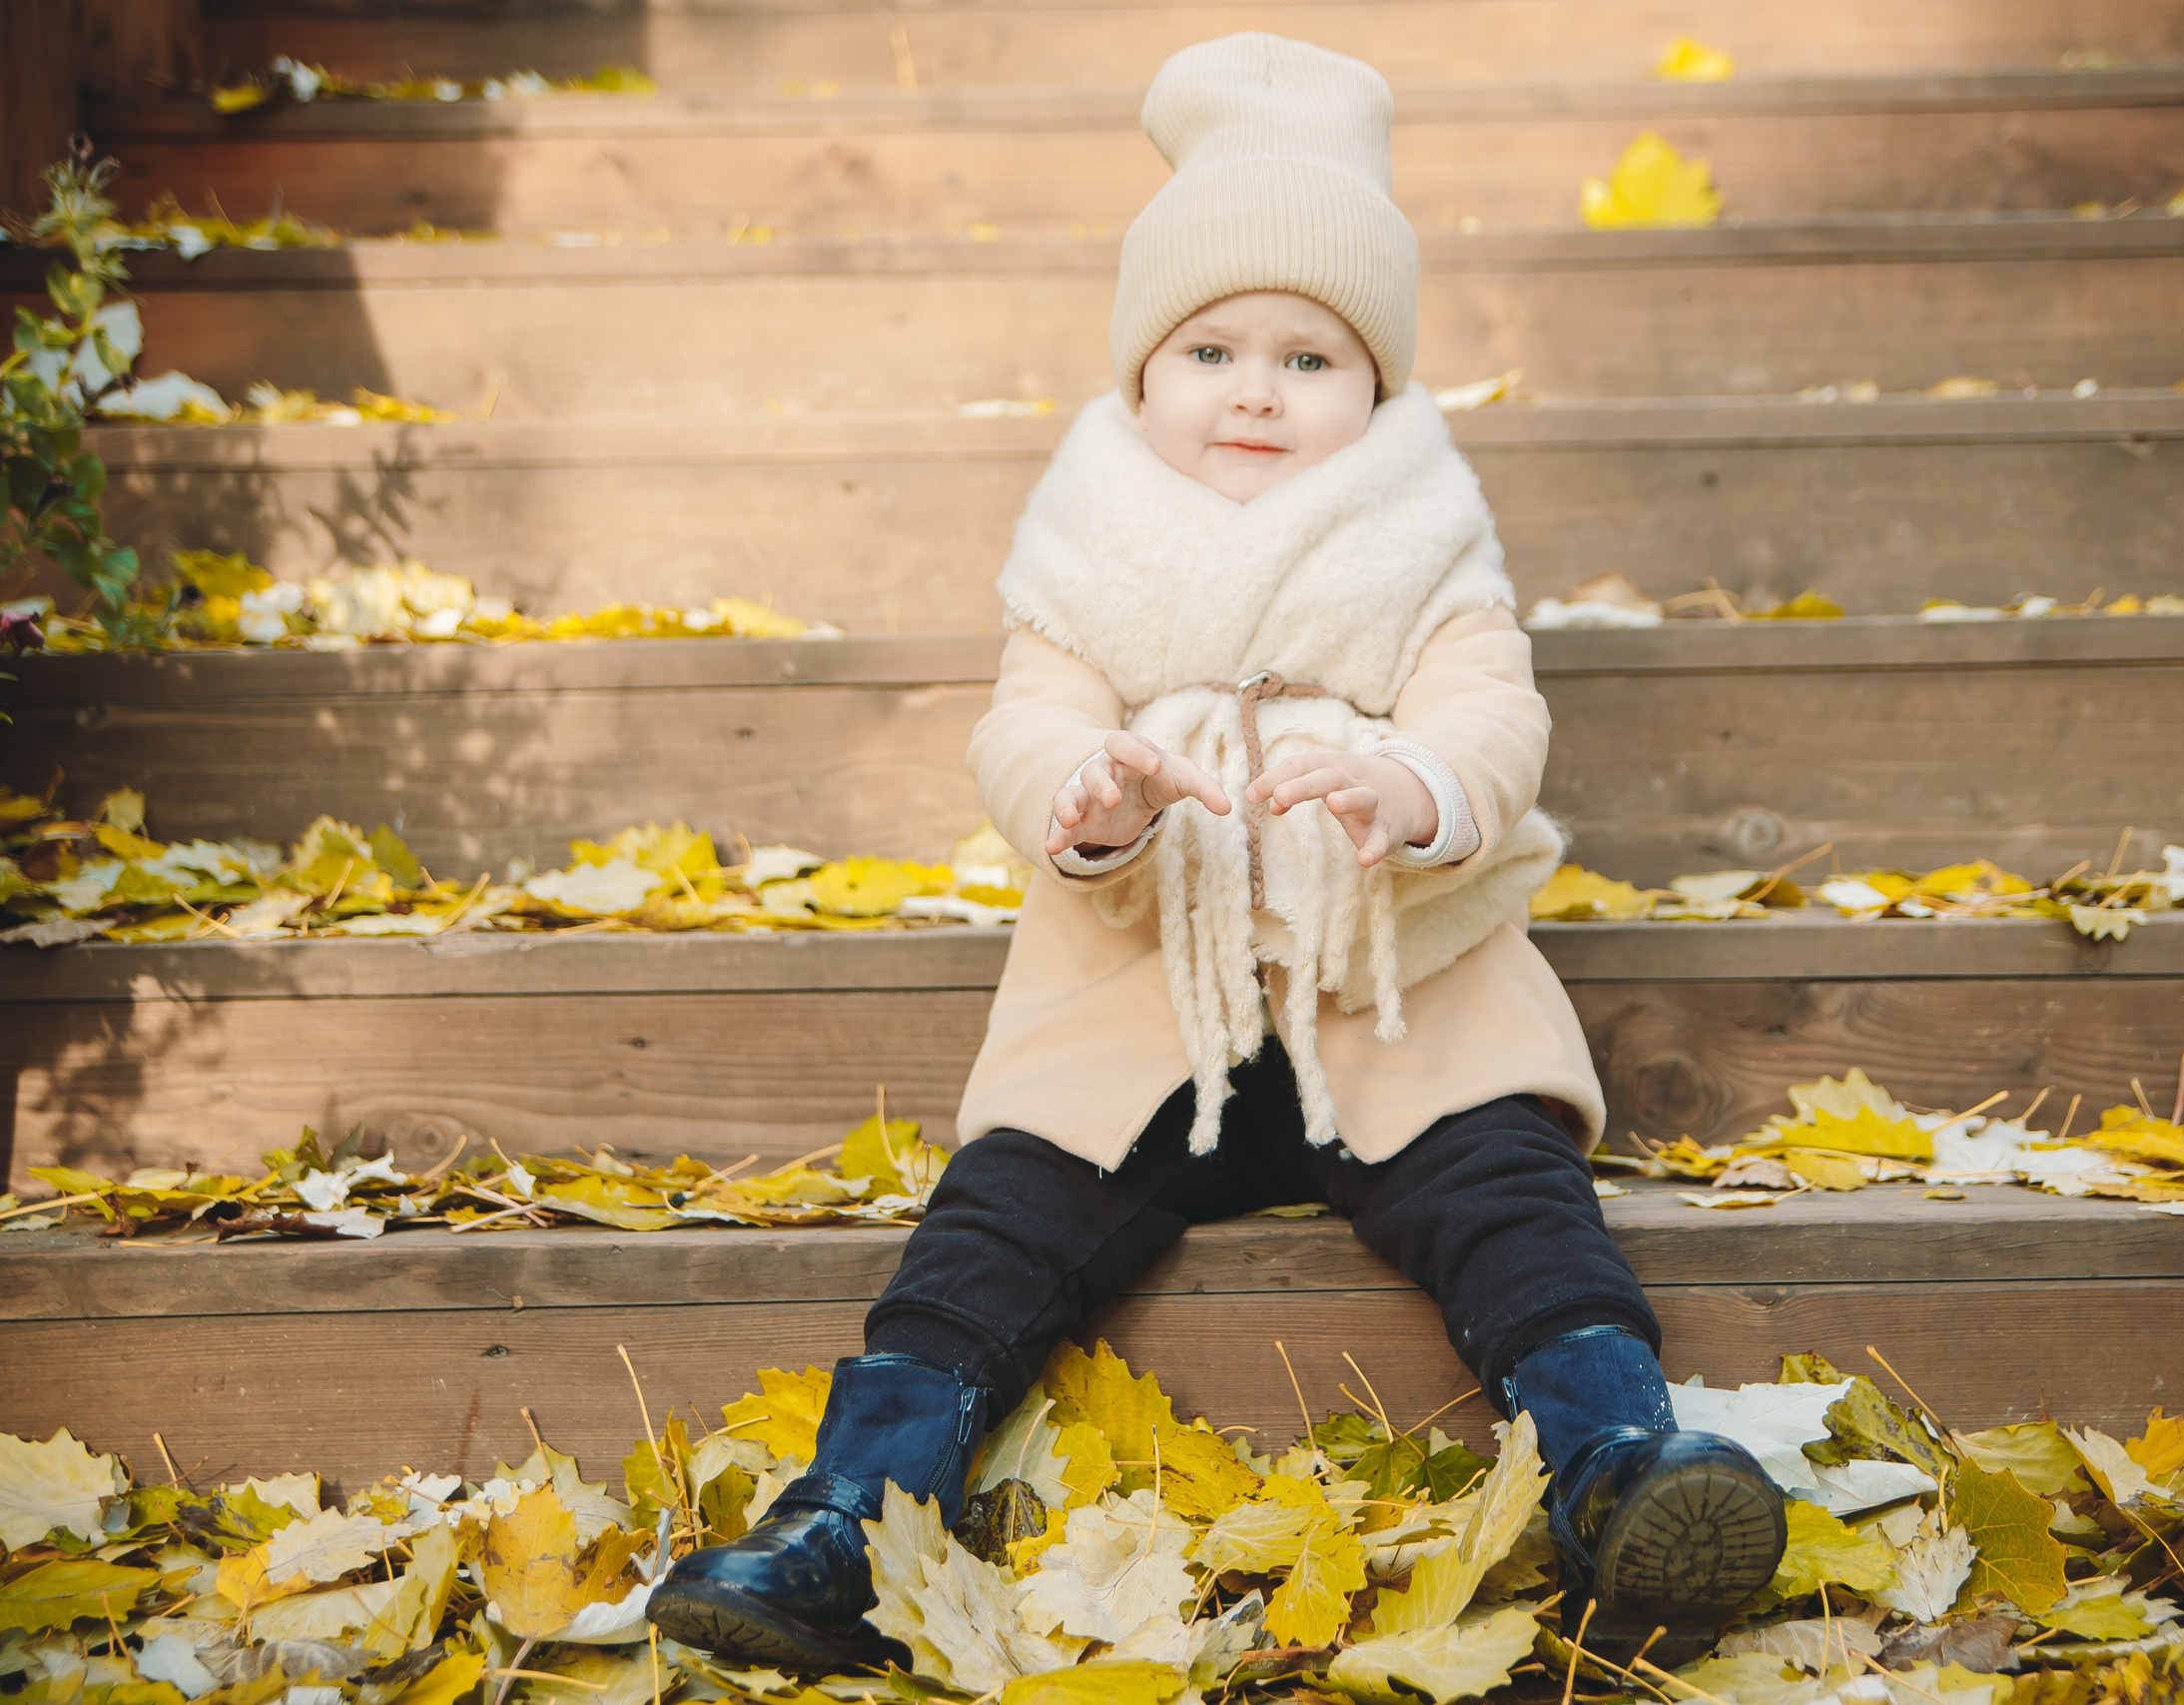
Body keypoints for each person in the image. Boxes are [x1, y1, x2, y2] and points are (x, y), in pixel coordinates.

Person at [647, 31, 1782, 1675]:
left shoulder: (1427, 553)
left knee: (1516, 1204)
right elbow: (1026, 723)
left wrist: (1413, 790)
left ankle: (1620, 1457)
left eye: (1310, 358)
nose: (1256, 389)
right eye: (1211, 350)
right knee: (991, 1235)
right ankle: (848, 1517)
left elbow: (1492, 714)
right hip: (1140, 1021)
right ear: (1141, 378)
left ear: (1376, 392)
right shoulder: (1084, 557)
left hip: (1387, 1008)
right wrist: (1087, 799)